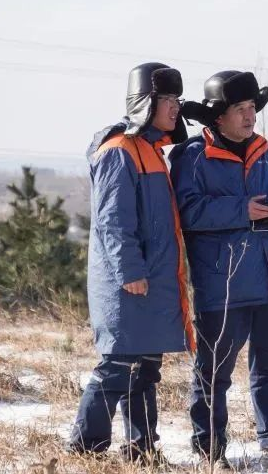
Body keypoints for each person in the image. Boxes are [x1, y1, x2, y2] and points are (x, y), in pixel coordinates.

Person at [171, 70, 268, 468]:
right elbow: (187, 211)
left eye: (252, 108)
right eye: (241, 110)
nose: (250, 117)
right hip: (223, 284)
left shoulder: (264, 150)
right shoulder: (192, 157)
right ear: (218, 116)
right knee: (213, 374)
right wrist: (241, 209)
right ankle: (210, 449)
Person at [67, 62, 194, 464]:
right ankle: (85, 448)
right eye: (167, 100)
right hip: (128, 282)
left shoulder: (152, 151)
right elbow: (113, 219)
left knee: (146, 369)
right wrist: (130, 272)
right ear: (146, 102)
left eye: (177, 99)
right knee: (117, 366)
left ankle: (142, 450)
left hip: (151, 281)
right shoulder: (118, 150)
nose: (175, 108)